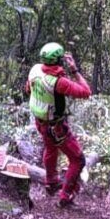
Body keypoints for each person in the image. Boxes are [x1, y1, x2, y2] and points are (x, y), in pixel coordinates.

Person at [25, 42, 92, 207]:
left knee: (50, 148)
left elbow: (28, 89)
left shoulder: (35, 70)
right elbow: (86, 92)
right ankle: (65, 197)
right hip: (56, 128)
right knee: (78, 160)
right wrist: (74, 70)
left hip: (41, 122)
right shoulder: (59, 82)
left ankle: (51, 181)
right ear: (59, 61)